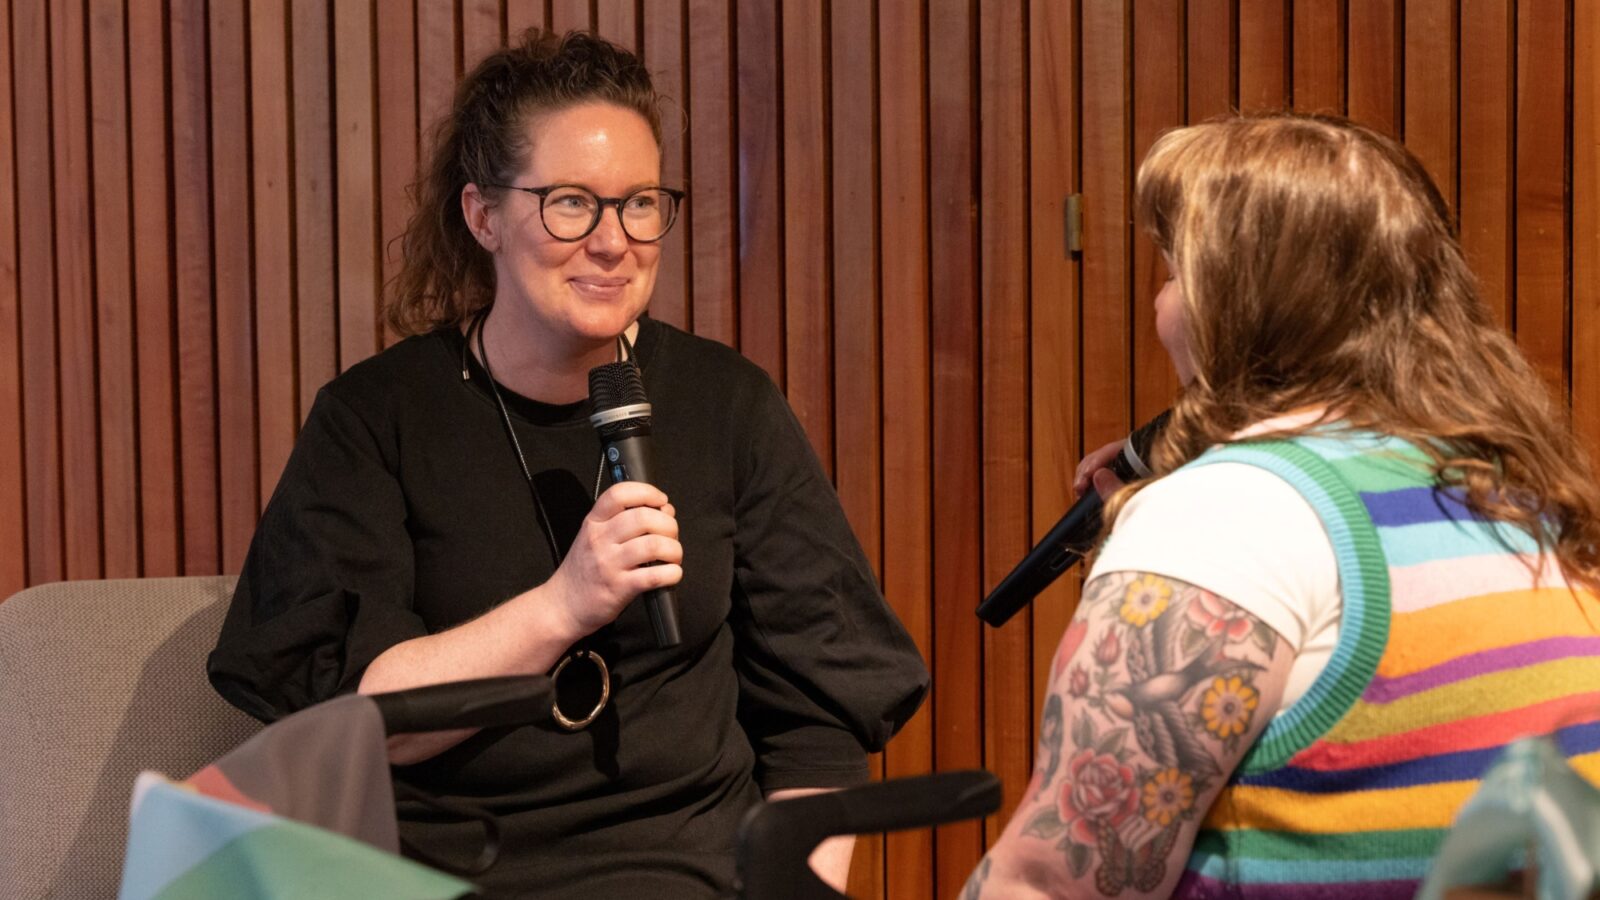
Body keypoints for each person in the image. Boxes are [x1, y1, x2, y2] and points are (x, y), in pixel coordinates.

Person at [207, 30, 927, 898]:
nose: (614, 241)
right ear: (483, 216)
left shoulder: (726, 403)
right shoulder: (377, 418)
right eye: (571, 203)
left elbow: (819, 713)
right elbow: (356, 719)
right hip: (447, 874)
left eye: (639, 204)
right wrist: (564, 604)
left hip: (690, 875)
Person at [964, 113, 1600, 898]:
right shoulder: (1520, 495)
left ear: (1241, 299)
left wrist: (1184, 538)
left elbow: (1056, 882)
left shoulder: (1222, 521)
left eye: (1170, 273)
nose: (1160, 305)